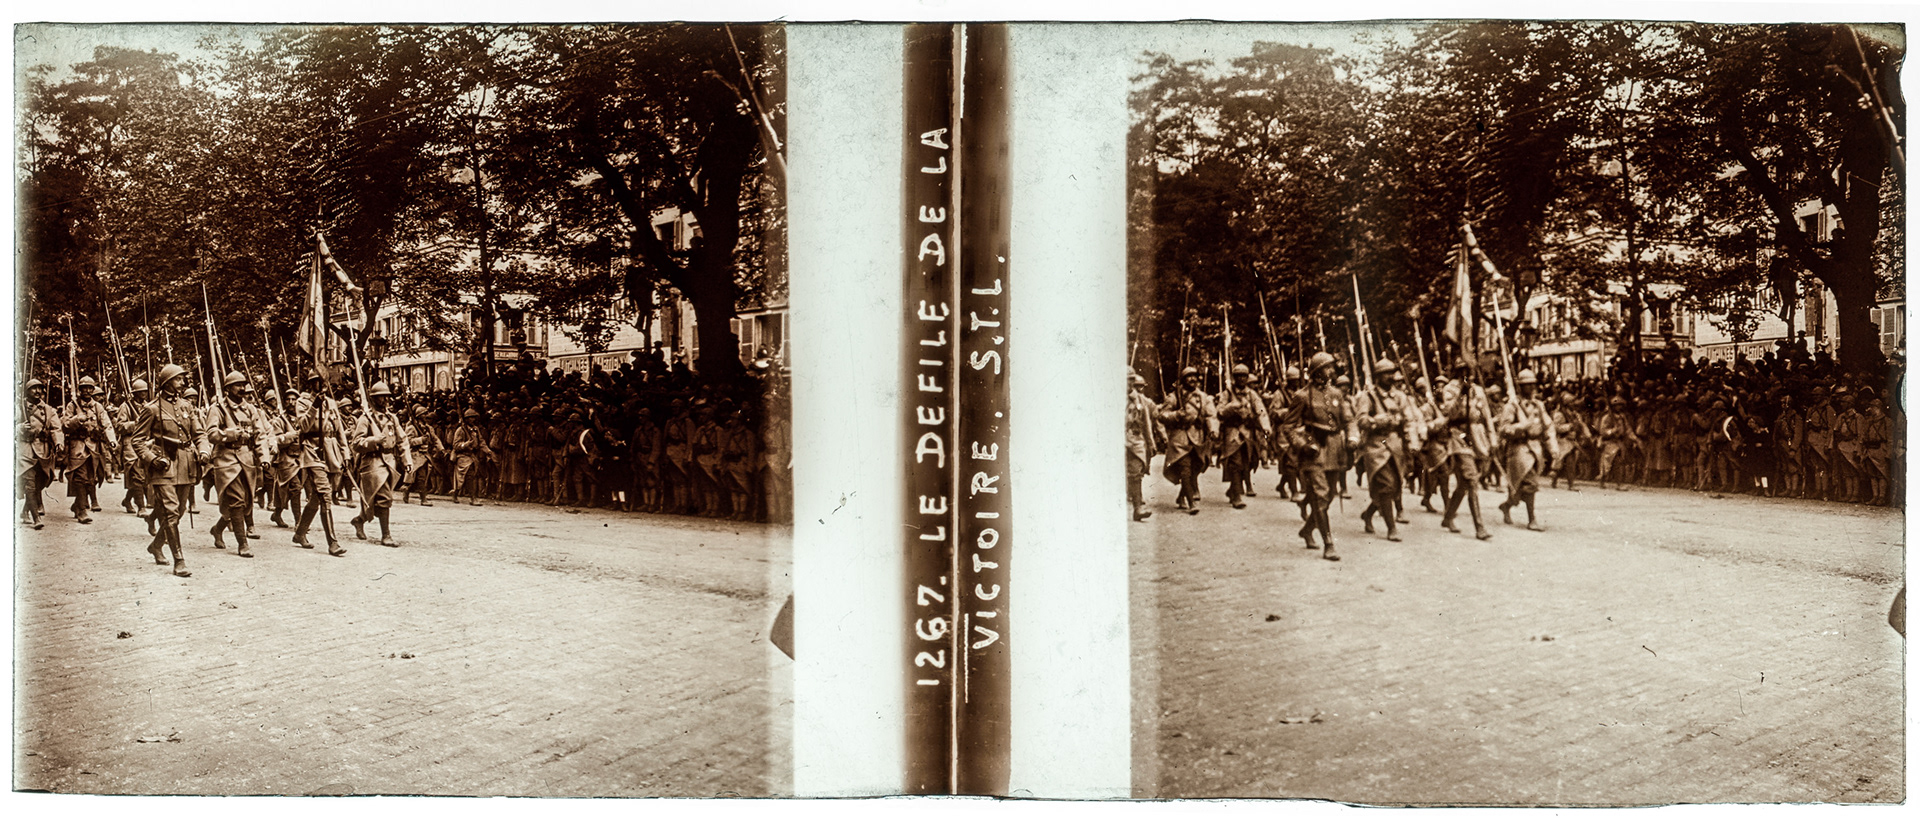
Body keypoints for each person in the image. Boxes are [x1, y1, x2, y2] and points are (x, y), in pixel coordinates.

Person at [131, 364, 207, 577]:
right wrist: (152, 458)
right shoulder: (152, 408)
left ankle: (156, 546)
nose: (183, 383)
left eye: (183, 379)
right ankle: (179, 560)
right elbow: (137, 441)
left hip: (185, 464)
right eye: (178, 379)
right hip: (163, 465)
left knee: (180, 511)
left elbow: (199, 433)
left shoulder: (187, 406)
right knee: (171, 512)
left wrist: (203, 451)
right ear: (167, 382)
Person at [1282, 353, 1349, 559]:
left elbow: (1348, 419)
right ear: (1317, 371)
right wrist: (1302, 445)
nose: (1332, 371)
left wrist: (1353, 437)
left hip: (1334, 450)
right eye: (1327, 367)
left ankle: (1307, 530)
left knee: (1328, 496)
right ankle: (1328, 544)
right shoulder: (1302, 396)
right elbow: (1288, 426)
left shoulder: (1337, 394)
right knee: (1320, 497)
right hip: (1314, 451)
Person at [280, 378, 349, 557]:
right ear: (311, 384)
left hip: (331, 452)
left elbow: (339, 430)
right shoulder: (303, 402)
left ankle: (300, 533)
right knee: (325, 495)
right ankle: (332, 543)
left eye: (325, 382)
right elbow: (303, 426)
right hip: (312, 451)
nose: (323, 385)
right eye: (319, 382)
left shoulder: (332, 403)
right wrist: (314, 406)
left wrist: (345, 453)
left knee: (316, 499)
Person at [1351, 359, 1416, 541]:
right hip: (1376, 446)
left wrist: (1413, 442)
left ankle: (1369, 513)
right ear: (1378, 376)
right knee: (1386, 486)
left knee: (1394, 487)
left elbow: (1409, 420)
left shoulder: (1400, 397)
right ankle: (1391, 528)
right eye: (1386, 373)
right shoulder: (1368, 396)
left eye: (1392, 372)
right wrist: (1377, 421)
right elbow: (1361, 420)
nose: (1391, 377)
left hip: (1395, 445)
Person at [205, 372, 266, 556]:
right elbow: (211, 434)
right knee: (237, 500)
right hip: (227, 459)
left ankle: (217, 528)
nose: (241, 389)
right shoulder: (218, 409)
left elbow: (260, 434)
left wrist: (264, 457)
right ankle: (242, 543)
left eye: (243, 385)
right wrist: (231, 434)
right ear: (227, 389)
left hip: (247, 460)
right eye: (237, 385)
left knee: (245, 501)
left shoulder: (250, 409)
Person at [349, 381, 411, 547]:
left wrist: (407, 460)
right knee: (384, 497)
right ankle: (386, 535)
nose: (385, 400)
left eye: (386, 397)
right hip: (372, 462)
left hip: (389, 461)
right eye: (381, 397)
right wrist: (373, 440)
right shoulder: (365, 419)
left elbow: (402, 439)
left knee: (374, 500)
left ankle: (359, 520)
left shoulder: (392, 417)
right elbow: (356, 443)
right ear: (373, 399)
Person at [1495, 369, 1556, 532]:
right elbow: (1503, 429)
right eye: (1526, 386)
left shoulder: (1538, 404)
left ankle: (1507, 506)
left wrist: (1553, 446)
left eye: (1532, 385)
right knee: (1530, 483)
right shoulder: (1512, 405)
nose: (1531, 388)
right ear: (1520, 387)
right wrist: (1521, 426)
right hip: (1519, 449)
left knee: (1519, 489)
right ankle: (1532, 519)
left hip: (1536, 448)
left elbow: (1548, 425)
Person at [1435, 378, 1494, 540]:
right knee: (1471, 481)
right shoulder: (1450, 389)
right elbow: (1449, 413)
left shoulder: (1478, 390)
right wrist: (1461, 395)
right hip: (1459, 438)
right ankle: (1479, 527)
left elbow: (1486, 416)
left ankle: (1448, 518)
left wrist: (1492, 440)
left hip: (1478, 439)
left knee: (1463, 485)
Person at [1156, 367, 1217, 515]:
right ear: (1183, 380)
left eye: (1194, 376)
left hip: (1198, 438)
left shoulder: (1203, 397)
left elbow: (1211, 415)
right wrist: (1177, 415)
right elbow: (1162, 415)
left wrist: (1213, 429)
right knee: (1185, 469)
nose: (1192, 379)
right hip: (1180, 437)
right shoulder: (1174, 397)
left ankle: (1181, 496)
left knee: (1195, 469)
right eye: (1189, 377)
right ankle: (1191, 503)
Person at [62, 376, 118, 524]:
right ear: (79, 390)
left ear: (93, 390)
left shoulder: (98, 407)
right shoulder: (72, 406)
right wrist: (76, 419)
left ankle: (76, 505)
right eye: (84, 388)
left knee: (92, 478)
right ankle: (82, 511)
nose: (86, 390)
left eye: (89, 388)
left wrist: (112, 440)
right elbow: (65, 425)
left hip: (94, 447)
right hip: (78, 446)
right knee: (80, 478)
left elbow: (107, 424)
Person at [1215, 364, 1271, 509]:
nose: (1241, 378)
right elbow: (1219, 412)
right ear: (1234, 378)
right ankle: (1237, 496)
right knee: (1235, 464)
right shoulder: (1226, 394)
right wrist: (1231, 407)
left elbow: (1261, 410)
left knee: (1248, 463)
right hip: (1232, 432)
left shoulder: (1252, 394)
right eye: (1238, 376)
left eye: (1244, 376)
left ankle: (1232, 490)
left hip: (1247, 432)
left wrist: (1265, 426)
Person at [19, 378, 65, 530]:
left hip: (43, 450)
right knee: (30, 483)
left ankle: (25, 511)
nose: (38, 391)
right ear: (27, 391)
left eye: (40, 388)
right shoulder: (18, 407)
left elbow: (56, 428)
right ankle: (36, 518)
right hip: (25, 449)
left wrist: (58, 442)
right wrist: (19, 428)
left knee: (41, 481)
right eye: (34, 388)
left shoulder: (48, 409)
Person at [1125, 370, 1162, 522]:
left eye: (1131, 380)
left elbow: (1146, 423)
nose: (1130, 384)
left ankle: (1138, 507)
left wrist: (1151, 443)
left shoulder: (1139, 400)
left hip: (1135, 440)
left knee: (1136, 473)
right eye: (1127, 380)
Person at [450, 408, 492, 506]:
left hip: (472, 456)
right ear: (467, 419)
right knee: (466, 477)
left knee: (469, 477)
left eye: (474, 418)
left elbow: (481, 441)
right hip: (462, 456)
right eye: (471, 418)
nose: (473, 420)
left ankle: (460, 494)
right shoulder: (460, 430)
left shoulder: (475, 429)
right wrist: (465, 444)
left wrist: (487, 451)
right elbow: (455, 445)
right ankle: (471, 498)